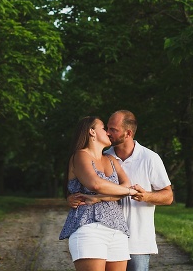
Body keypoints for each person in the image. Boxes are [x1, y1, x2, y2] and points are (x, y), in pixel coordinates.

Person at [69, 110, 173, 271]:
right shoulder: (104, 156)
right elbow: (85, 183)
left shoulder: (149, 158)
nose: (109, 133)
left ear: (128, 133)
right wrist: (72, 198)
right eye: (107, 128)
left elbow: (168, 196)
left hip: (137, 239)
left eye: (113, 130)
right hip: (107, 231)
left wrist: (145, 196)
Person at [59, 116, 138, 271]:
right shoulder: (81, 155)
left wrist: (98, 198)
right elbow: (96, 184)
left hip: (117, 228)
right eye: (104, 128)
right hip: (89, 226)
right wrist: (129, 192)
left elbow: (125, 184)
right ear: (92, 132)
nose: (108, 133)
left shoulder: (111, 159)